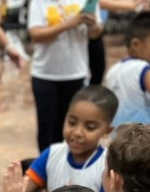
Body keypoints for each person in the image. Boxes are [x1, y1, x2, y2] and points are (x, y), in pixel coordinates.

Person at [27, 0, 103, 151]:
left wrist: (93, 24)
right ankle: (47, 163)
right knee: (47, 128)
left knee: (72, 127)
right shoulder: (39, 2)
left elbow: (96, 33)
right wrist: (69, 24)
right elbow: (36, 35)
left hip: (75, 73)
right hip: (45, 74)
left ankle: (68, 162)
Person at [105, 12, 150, 127]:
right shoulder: (143, 69)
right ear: (136, 44)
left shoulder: (112, 71)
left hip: (117, 132)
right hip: (141, 133)